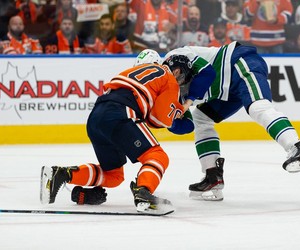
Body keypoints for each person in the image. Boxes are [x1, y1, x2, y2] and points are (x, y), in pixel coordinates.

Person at [164, 41, 300, 201]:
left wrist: (188, 101)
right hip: (225, 90)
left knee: (258, 107)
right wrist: (168, 120)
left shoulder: (175, 56)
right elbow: (187, 126)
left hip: (238, 62)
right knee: (201, 118)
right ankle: (212, 176)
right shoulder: (164, 91)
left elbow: (208, 73)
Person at [40, 53, 194, 214]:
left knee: (113, 175)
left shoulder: (138, 69)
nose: (181, 82)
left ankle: (62, 174)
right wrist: (177, 114)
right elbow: (158, 118)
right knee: (157, 156)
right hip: (120, 113)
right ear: (176, 71)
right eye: (183, 77)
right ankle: (143, 193)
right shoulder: (169, 78)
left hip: (96, 115)